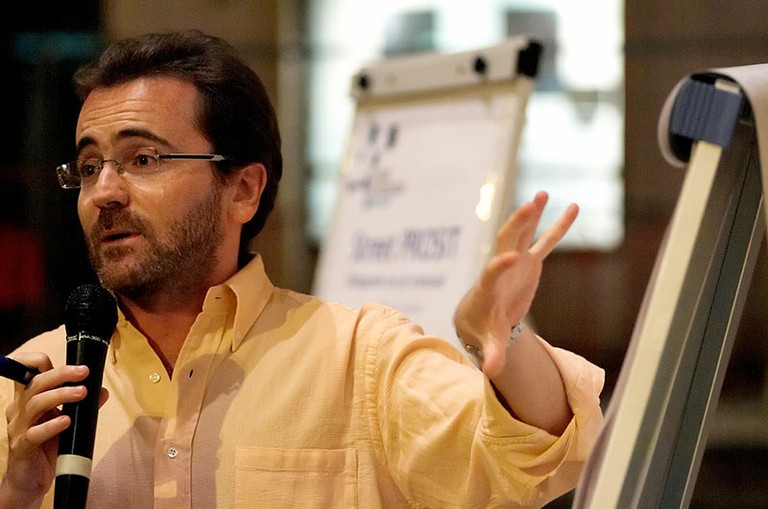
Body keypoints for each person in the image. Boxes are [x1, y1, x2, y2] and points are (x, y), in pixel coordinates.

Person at [0, 30, 604, 508]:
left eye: (142, 158)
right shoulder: (31, 382)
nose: (104, 192)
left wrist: (504, 336)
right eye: (89, 167)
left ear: (243, 189)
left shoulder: (359, 359)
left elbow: (532, 460)